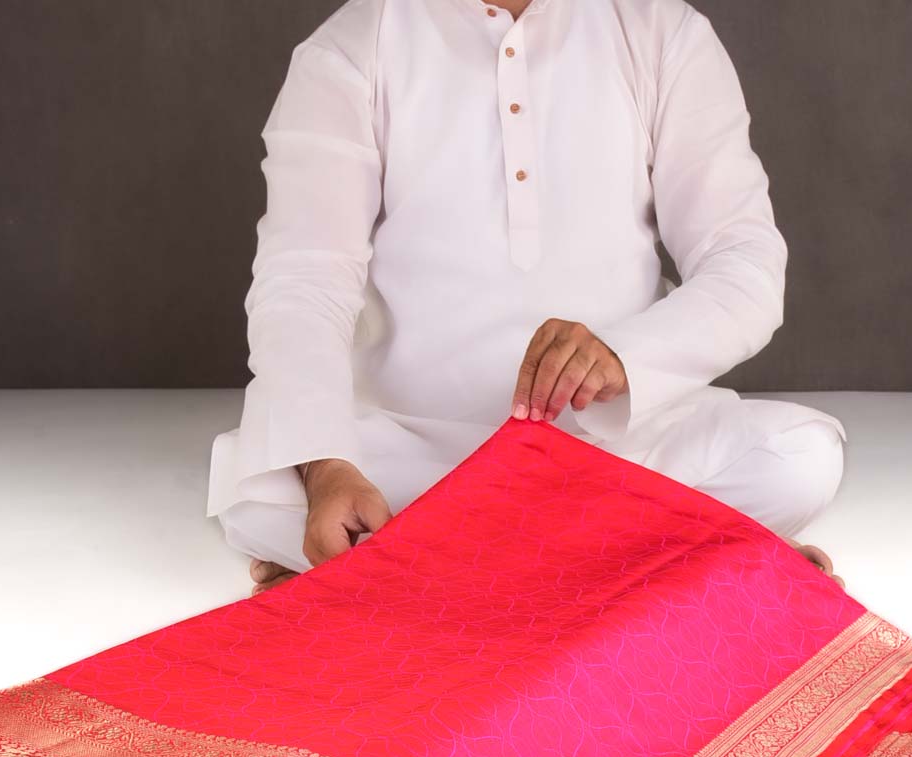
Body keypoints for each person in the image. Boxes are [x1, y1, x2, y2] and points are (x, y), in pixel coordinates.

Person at [207, 0, 847, 591]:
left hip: (622, 449)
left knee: (799, 459)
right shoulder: (351, 48)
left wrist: (625, 355)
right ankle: (680, 553)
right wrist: (325, 469)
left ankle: (425, 569)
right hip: (421, 448)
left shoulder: (661, 30)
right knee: (263, 498)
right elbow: (304, 281)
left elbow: (745, 260)